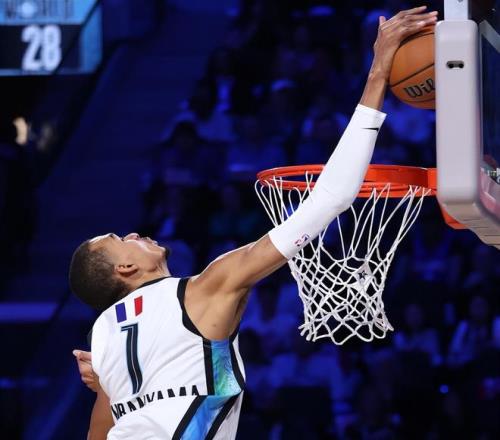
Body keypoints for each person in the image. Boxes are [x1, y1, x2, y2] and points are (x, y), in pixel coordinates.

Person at [70, 7, 438, 439]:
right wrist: (377, 74)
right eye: (120, 238)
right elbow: (331, 197)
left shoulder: (104, 337)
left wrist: (105, 388)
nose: (133, 233)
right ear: (126, 268)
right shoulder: (204, 289)